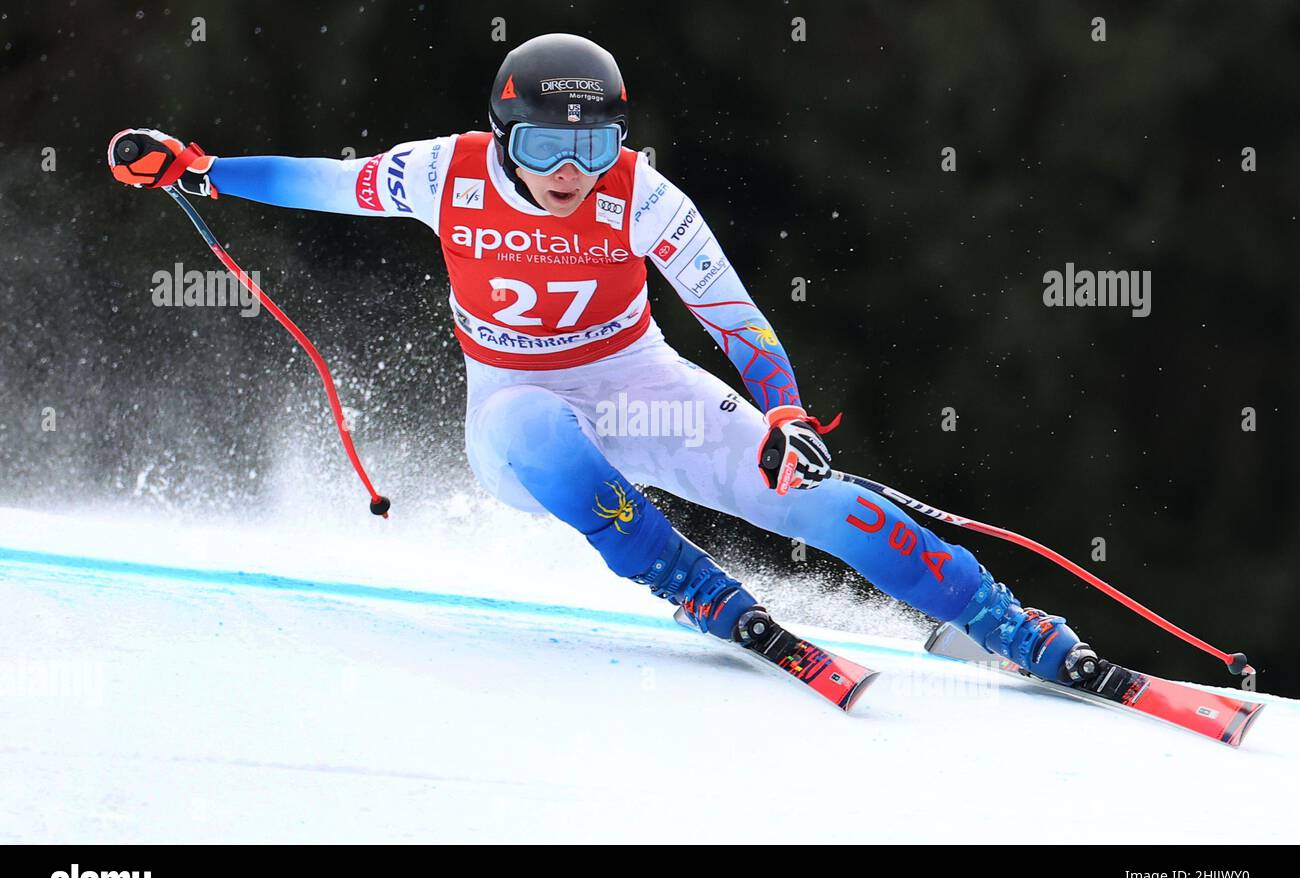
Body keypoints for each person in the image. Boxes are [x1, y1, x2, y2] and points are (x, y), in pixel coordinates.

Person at [107, 33, 1128, 696]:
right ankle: (695, 586)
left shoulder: (641, 194)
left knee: (818, 501)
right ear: (503, 136)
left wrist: (783, 416)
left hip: (644, 393)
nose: (568, 175)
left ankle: (1010, 625)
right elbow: (326, 181)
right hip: (515, 420)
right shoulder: (443, 172)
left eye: (592, 149)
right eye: (547, 150)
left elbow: (735, 318)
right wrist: (203, 169)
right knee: (536, 429)